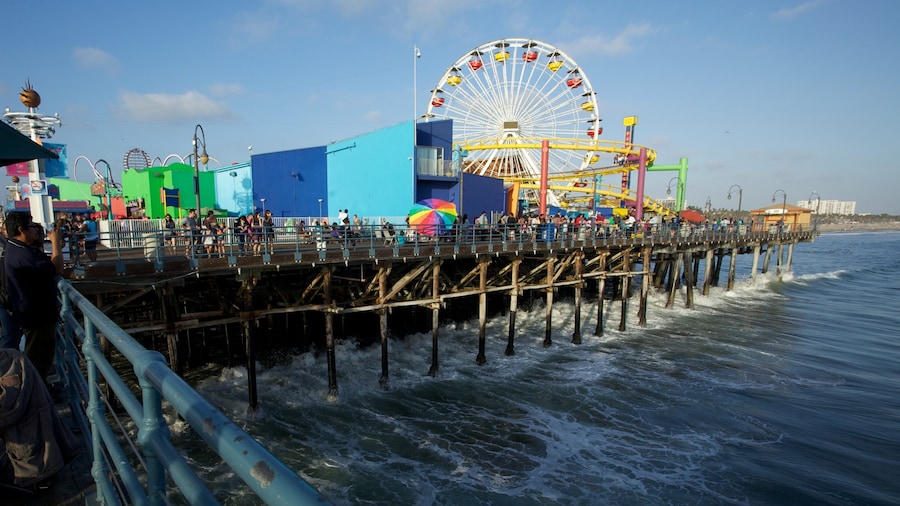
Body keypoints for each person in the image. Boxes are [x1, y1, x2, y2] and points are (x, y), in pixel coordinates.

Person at [2, 212, 64, 381]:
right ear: (21, 230)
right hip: (38, 316)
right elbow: (57, 267)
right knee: (39, 359)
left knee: (36, 356)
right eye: (32, 226)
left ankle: (37, 389)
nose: (36, 230)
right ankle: (36, 394)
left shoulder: (15, 248)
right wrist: (55, 242)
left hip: (31, 313)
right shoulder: (23, 255)